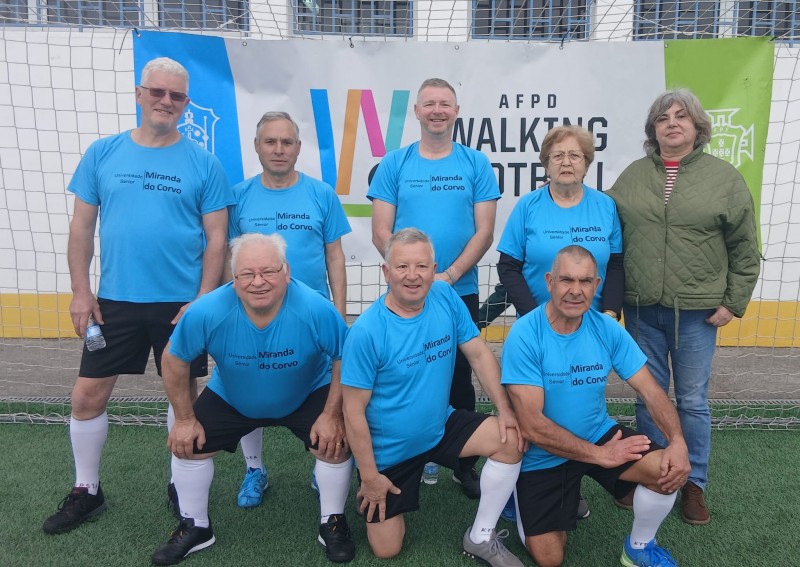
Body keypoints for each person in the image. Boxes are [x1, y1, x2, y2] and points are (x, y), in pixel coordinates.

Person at [43, 57, 233, 535]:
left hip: (180, 305)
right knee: (87, 394)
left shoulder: (204, 163)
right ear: (139, 93)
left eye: (177, 96)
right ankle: (87, 489)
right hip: (114, 303)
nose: (166, 102)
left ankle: (180, 483)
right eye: (158, 92)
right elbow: (82, 228)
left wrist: (204, 299)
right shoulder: (103, 153)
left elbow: (217, 239)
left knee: (181, 396)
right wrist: (81, 292)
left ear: (186, 104)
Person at [151, 233, 355, 565]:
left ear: (287, 272)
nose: (257, 282)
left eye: (268, 272)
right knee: (187, 446)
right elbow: (174, 359)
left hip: (304, 393)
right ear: (234, 277)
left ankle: (331, 522)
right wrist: (185, 419)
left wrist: (332, 414)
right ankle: (195, 526)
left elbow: (345, 357)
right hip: (233, 396)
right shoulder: (208, 310)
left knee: (336, 444)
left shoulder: (316, 308)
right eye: (247, 274)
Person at [608, 89, 760, 525]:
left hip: (697, 313)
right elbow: (608, 232)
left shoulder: (724, 178)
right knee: (647, 397)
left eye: (682, 116)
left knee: (692, 400)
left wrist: (733, 302)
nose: (672, 123)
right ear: (653, 129)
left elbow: (745, 247)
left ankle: (693, 485)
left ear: (697, 127)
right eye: (663, 117)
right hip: (640, 310)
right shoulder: (633, 176)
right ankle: (650, 474)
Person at [342, 228, 525, 567]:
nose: (413, 276)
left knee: (511, 438)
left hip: (440, 426)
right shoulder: (366, 332)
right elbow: (353, 413)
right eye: (402, 267)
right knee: (387, 549)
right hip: (391, 451)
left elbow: (480, 355)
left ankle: (481, 535)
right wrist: (369, 477)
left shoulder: (443, 295)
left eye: (421, 266)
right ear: (385, 272)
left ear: (434, 268)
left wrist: (505, 409)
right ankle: (365, 488)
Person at [502, 245, 691, 567]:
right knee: (550, 559)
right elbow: (532, 425)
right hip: (542, 455)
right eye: (566, 280)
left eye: (585, 281)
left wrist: (678, 442)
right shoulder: (525, 334)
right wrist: (600, 456)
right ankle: (517, 496)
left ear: (597, 284)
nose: (576, 291)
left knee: (667, 470)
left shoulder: (606, 329)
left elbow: (652, 391)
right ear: (550, 281)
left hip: (599, 433)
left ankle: (639, 547)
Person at [368, 78, 500, 498]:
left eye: (445, 104)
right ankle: (413, 453)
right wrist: (415, 276)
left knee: (460, 376)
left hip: (457, 290)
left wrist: (449, 275)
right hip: (406, 291)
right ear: (417, 112)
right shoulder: (395, 163)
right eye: (429, 104)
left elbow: (484, 232)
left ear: (456, 110)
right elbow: (381, 232)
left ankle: (463, 464)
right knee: (408, 371)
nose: (437, 110)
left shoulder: (476, 163)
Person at [497, 124, 623, 521]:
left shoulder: (605, 206)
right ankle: (516, 490)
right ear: (546, 164)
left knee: (578, 406)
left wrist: (610, 313)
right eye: (558, 156)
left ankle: (570, 481)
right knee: (534, 412)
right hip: (540, 329)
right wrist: (532, 314)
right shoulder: (528, 207)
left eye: (575, 156)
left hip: (589, 328)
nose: (566, 162)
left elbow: (616, 264)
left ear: (587, 164)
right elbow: (508, 266)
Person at [227, 111, 351, 509]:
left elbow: (335, 256)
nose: (279, 149)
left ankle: (322, 467)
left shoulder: (321, 194)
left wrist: (339, 312)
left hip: (309, 323)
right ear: (257, 146)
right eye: (271, 141)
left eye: (287, 142)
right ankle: (254, 469)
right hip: (252, 318)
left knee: (325, 396)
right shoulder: (239, 196)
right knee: (249, 394)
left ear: (298, 148)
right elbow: (230, 260)